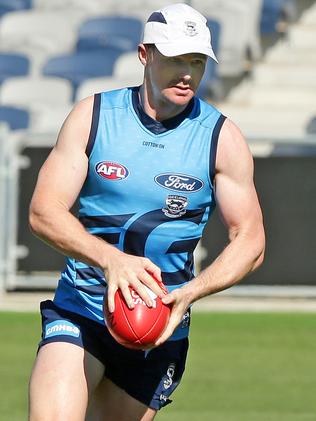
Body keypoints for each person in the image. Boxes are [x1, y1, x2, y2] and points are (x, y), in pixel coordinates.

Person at [28, 3, 265, 420]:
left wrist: (191, 292)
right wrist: (112, 261)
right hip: (81, 308)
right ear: (145, 54)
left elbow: (251, 240)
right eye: (175, 58)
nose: (187, 72)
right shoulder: (94, 116)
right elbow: (44, 211)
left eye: (196, 61)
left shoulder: (221, 138)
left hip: (158, 328)